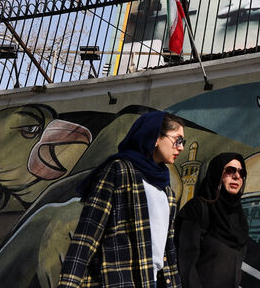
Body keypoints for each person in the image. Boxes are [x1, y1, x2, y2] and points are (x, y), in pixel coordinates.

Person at [58, 111, 185, 288]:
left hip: (153, 281)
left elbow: (167, 249)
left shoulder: (166, 191)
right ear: (156, 137)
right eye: (178, 140)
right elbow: (88, 234)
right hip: (119, 280)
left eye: (183, 142)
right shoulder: (120, 171)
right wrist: (67, 284)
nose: (181, 148)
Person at [176, 153, 249, 288]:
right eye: (230, 170)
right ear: (216, 173)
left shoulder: (239, 217)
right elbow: (185, 266)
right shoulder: (197, 209)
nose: (237, 176)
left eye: (241, 172)